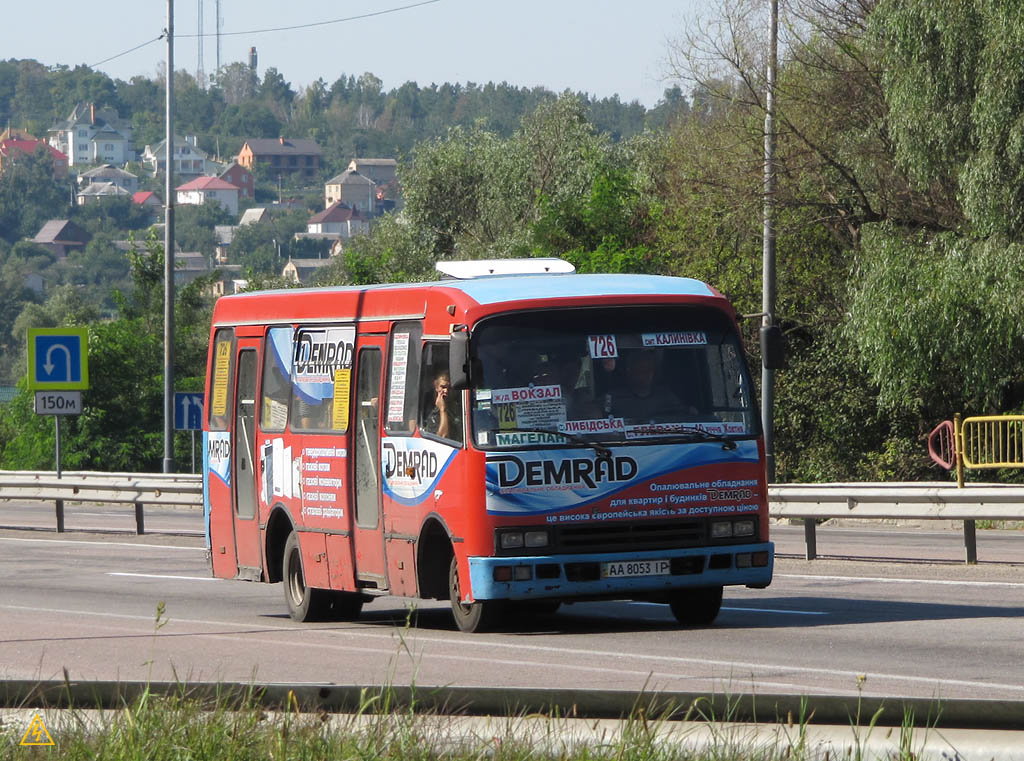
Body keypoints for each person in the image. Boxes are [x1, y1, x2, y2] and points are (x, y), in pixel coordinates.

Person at [610, 349, 685, 422]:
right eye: (641, 369)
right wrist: (598, 411)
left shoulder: (666, 396)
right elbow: (600, 409)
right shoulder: (614, 398)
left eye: (649, 369)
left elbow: (682, 414)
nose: (646, 374)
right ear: (630, 371)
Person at [424, 370, 462, 439]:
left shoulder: (456, 407)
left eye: (449, 388)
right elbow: (442, 437)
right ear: (436, 386)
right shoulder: (428, 408)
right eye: (443, 387)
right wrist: (442, 410)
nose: (446, 391)